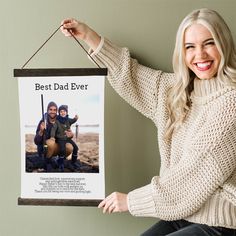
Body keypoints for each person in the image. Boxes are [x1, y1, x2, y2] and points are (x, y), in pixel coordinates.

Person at [60, 8, 236, 235]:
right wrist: (88, 36)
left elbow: (195, 172)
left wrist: (130, 201)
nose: (199, 55)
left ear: (224, 44)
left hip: (221, 222)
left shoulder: (231, 102)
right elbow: (131, 75)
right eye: (189, 47)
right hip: (182, 215)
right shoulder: (178, 91)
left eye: (209, 43)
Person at [34, 101, 74, 172]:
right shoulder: (42, 122)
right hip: (46, 148)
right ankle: (48, 161)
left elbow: (66, 136)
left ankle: (60, 160)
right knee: (50, 143)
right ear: (47, 110)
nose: (52, 111)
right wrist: (41, 131)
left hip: (58, 146)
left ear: (57, 111)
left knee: (69, 147)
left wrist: (70, 136)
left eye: (55, 110)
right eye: (50, 109)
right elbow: (36, 141)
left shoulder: (61, 120)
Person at [50, 105, 80, 172]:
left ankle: (73, 162)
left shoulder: (68, 120)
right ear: (59, 113)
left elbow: (73, 120)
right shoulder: (57, 121)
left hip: (67, 138)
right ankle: (60, 163)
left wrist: (76, 118)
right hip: (60, 139)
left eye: (64, 111)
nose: (63, 113)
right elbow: (53, 129)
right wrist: (52, 137)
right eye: (61, 111)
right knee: (62, 150)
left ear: (66, 112)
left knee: (76, 148)